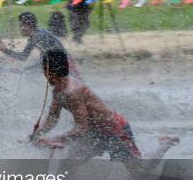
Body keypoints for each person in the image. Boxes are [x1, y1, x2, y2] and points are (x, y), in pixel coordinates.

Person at [31, 50, 179, 170]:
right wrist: (35, 135)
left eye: (43, 70)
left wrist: (56, 139)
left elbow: (81, 127)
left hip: (114, 130)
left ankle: (165, 143)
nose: (43, 74)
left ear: (48, 71)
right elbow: (52, 118)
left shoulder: (72, 91)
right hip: (93, 133)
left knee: (141, 169)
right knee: (68, 166)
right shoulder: (57, 91)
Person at [0, 12, 81, 78]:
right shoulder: (37, 35)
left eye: (22, 25)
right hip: (62, 62)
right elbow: (42, 60)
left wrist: (6, 51)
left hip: (65, 63)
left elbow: (23, 57)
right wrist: (26, 69)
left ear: (29, 25)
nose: (21, 28)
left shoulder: (37, 36)